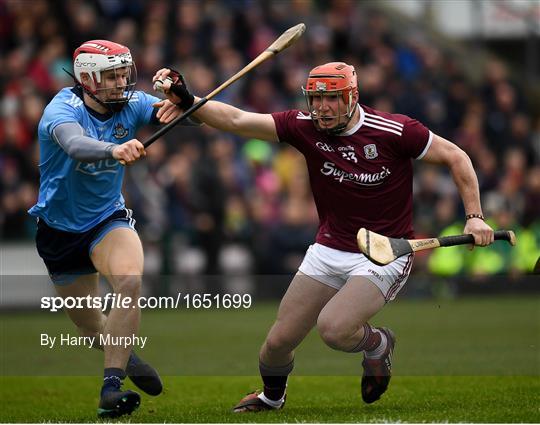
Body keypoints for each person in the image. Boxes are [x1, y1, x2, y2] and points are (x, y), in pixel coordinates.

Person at [152, 62, 494, 411]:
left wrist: (475, 217)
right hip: (329, 247)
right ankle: (273, 397)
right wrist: (189, 98)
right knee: (276, 344)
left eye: (332, 98)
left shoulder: (394, 130)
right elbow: (238, 120)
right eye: (315, 99)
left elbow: (457, 156)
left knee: (335, 329)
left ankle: (377, 344)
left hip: (383, 252)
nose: (321, 108)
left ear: (352, 97)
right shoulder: (303, 126)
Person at [28, 40, 182, 418]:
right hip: (59, 233)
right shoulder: (61, 109)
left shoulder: (132, 104)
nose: (120, 83)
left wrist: (184, 96)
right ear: (87, 78)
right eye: (110, 76)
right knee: (93, 327)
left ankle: (111, 388)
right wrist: (113, 150)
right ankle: (126, 357)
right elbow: (75, 144)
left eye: (122, 74)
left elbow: (186, 115)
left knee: (129, 281)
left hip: (106, 221)